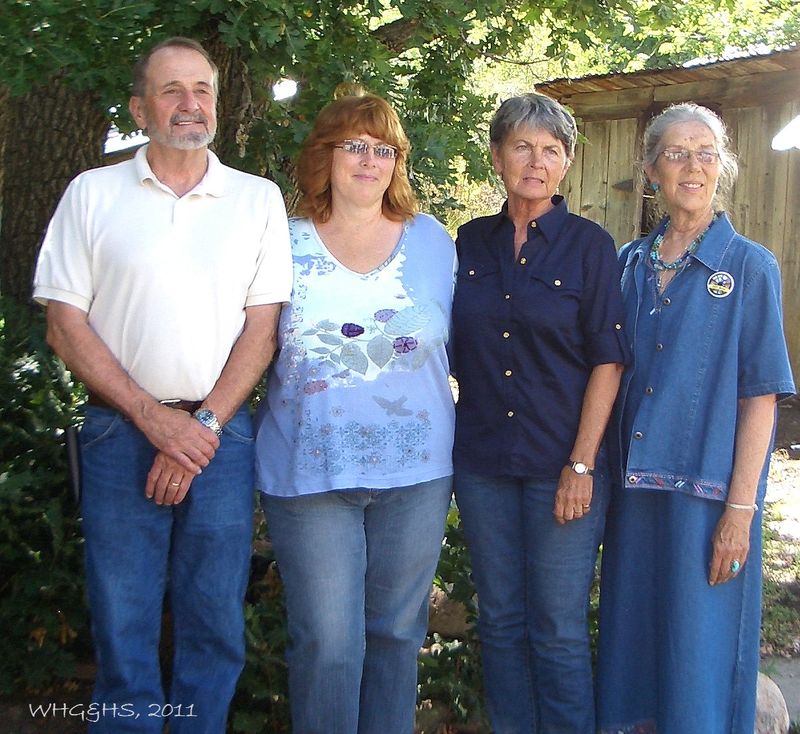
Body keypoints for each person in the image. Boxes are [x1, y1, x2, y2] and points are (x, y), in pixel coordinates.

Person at [32, 37, 292, 733]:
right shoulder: (92, 193)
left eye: (202, 88)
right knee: (123, 620)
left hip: (222, 436)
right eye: (172, 90)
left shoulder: (255, 200)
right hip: (120, 431)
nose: (190, 104)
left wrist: (198, 429)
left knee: (214, 621)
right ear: (139, 108)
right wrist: (154, 420)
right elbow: (64, 324)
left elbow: (262, 332)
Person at [254, 92, 456, 734]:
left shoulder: (433, 241)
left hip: (417, 475)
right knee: (328, 645)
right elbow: (249, 341)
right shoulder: (281, 240)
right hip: (310, 473)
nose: (370, 160)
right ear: (326, 156)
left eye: (385, 149)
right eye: (355, 146)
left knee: (398, 635)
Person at [596, 103, 795, 734]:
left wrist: (740, 513)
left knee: (699, 663)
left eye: (706, 152)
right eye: (678, 152)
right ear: (651, 169)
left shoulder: (750, 267)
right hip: (634, 495)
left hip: (710, 502)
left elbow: (760, 398)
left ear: (723, 167)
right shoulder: (627, 264)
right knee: (634, 652)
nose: (693, 165)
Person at [451, 92, 629, 733]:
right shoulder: (468, 243)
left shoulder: (589, 247)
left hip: (563, 464)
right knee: (499, 620)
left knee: (555, 626)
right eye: (522, 146)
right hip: (482, 463)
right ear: (497, 156)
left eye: (551, 150)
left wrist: (582, 462)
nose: (536, 160)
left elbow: (608, 360)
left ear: (567, 165)